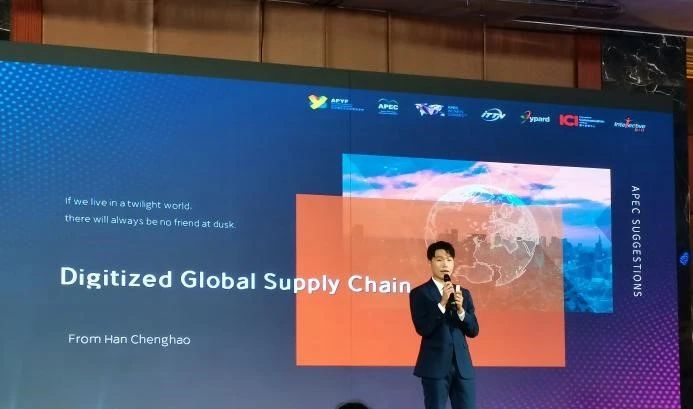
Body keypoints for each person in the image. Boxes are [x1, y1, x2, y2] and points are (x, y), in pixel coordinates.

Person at [409, 241, 480, 409]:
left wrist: (461, 310)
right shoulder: (420, 293)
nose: (445, 264)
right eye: (439, 260)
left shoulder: (463, 293)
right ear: (430, 262)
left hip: (462, 367)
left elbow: (473, 330)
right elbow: (423, 328)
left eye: (449, 260)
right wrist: (442, 303)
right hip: (435, 367)